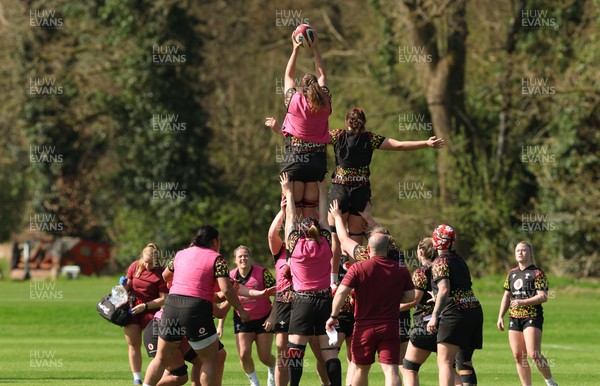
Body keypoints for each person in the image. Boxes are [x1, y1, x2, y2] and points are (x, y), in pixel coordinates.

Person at [327, 107, 445, 292]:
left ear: (346, 122)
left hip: (339, 190)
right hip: (360, 192)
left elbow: (312, 136)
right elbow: (398, 145)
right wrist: (426, 143)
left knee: (336, 238)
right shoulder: (370, 138)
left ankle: (333, 281)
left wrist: (284, 130)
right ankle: (351, 282)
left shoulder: (336, 135)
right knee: (356, 241)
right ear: (364, 123)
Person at [143, 226, 250, 386]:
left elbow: (165, 275)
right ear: (214, 241)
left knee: (160, 358)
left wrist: (180, 283)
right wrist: (241, 310)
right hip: (195, 308)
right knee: (209, 360)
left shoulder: (181, 254)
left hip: (171, 305)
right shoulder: (217, 258)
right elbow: (226, 289)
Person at [327, 200, 415, 386]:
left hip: (364, 325)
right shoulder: (399, 261)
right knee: (391, 371)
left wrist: (336, 218)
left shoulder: (361, 260)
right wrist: (369, 217)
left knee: (360, 368)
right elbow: (410, 296)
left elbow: (343, 240)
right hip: (391, 325)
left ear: (369, 247)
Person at [279, 172, 340, 386]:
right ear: (316, 230)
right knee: (330, 353)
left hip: (303, 301)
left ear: (301, 232)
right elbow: (324, 219)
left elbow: (290, 220)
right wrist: (322, 190)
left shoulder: (295, 245)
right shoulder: (325, 243)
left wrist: (288, 190)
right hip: (325, 301)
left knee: (296, 351)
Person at [265, 197, 331, 386]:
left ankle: (325, 383)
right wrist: (282, 212)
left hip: (305, 301)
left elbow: (316, 226)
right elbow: (272, 235)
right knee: (283, 351)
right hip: (287, 301)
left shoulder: (305, 246)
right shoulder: (282, 249)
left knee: (319, 350)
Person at [266, 31, 331, 219]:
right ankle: (313, 246)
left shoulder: (294, 99)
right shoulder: (326, 101)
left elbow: (288, 76)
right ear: (318, 88)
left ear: (301, 89)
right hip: (317, 162)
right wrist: (316, 49)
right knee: (310, 213)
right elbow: (323, 74)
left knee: (291, 212)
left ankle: (293, 247)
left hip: (295, 160)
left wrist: (295, 50)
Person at [426, 225, 483, 386]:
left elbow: (445, 289)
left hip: (455, 313)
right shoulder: (459, 259)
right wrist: (437, 297)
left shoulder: (440, 262)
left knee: (444, 362)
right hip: (473, 309)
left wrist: (435, 316)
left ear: (436, 241)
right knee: (464, 360)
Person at [401, 238, 461, 386]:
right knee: (449, 368)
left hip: (424, 324)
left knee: (409, 368)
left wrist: (389, 309)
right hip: (446, 323)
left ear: (421, 252)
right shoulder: (443, 268)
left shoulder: (421, 272)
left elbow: (414, 301)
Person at [497, 241, 558, 386]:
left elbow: (543, 296)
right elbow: (506, 295)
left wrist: (523, 302)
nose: (520, 252)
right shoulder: (512, 273)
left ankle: (550, 382)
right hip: (514, 317)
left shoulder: (537, 273)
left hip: (532, 316)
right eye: (518, 250)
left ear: (530, 254)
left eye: (523, 250)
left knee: (533, 354)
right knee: (518, 356)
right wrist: (500, 316)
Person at [227, 245, 277, 386]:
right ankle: (254, 383)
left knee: (265, 357)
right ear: (235, 260)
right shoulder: (230, 276)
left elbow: (278, 294)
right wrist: (220, 325)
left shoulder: (262, 272)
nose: (243, 258)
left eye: (246, 255)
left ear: (250, 258)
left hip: (264, 319)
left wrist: (272, 317)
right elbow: (226, 300)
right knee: (243, 354)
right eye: (240, 256)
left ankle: (272, 368)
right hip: (242, 320)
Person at [121, 243, 168, 385]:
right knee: (133, 344)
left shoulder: (161, 273)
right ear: (142, 257)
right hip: (133, 309)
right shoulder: (134, 266)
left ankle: (162, 377)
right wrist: (123, 285)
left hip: (152, 312)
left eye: (151, 263)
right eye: (145, 262)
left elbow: (164, 299)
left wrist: (146, 306)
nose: (148, 266)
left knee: (159, 350)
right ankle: (137, 378)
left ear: (156, 259)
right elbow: (128, 287)